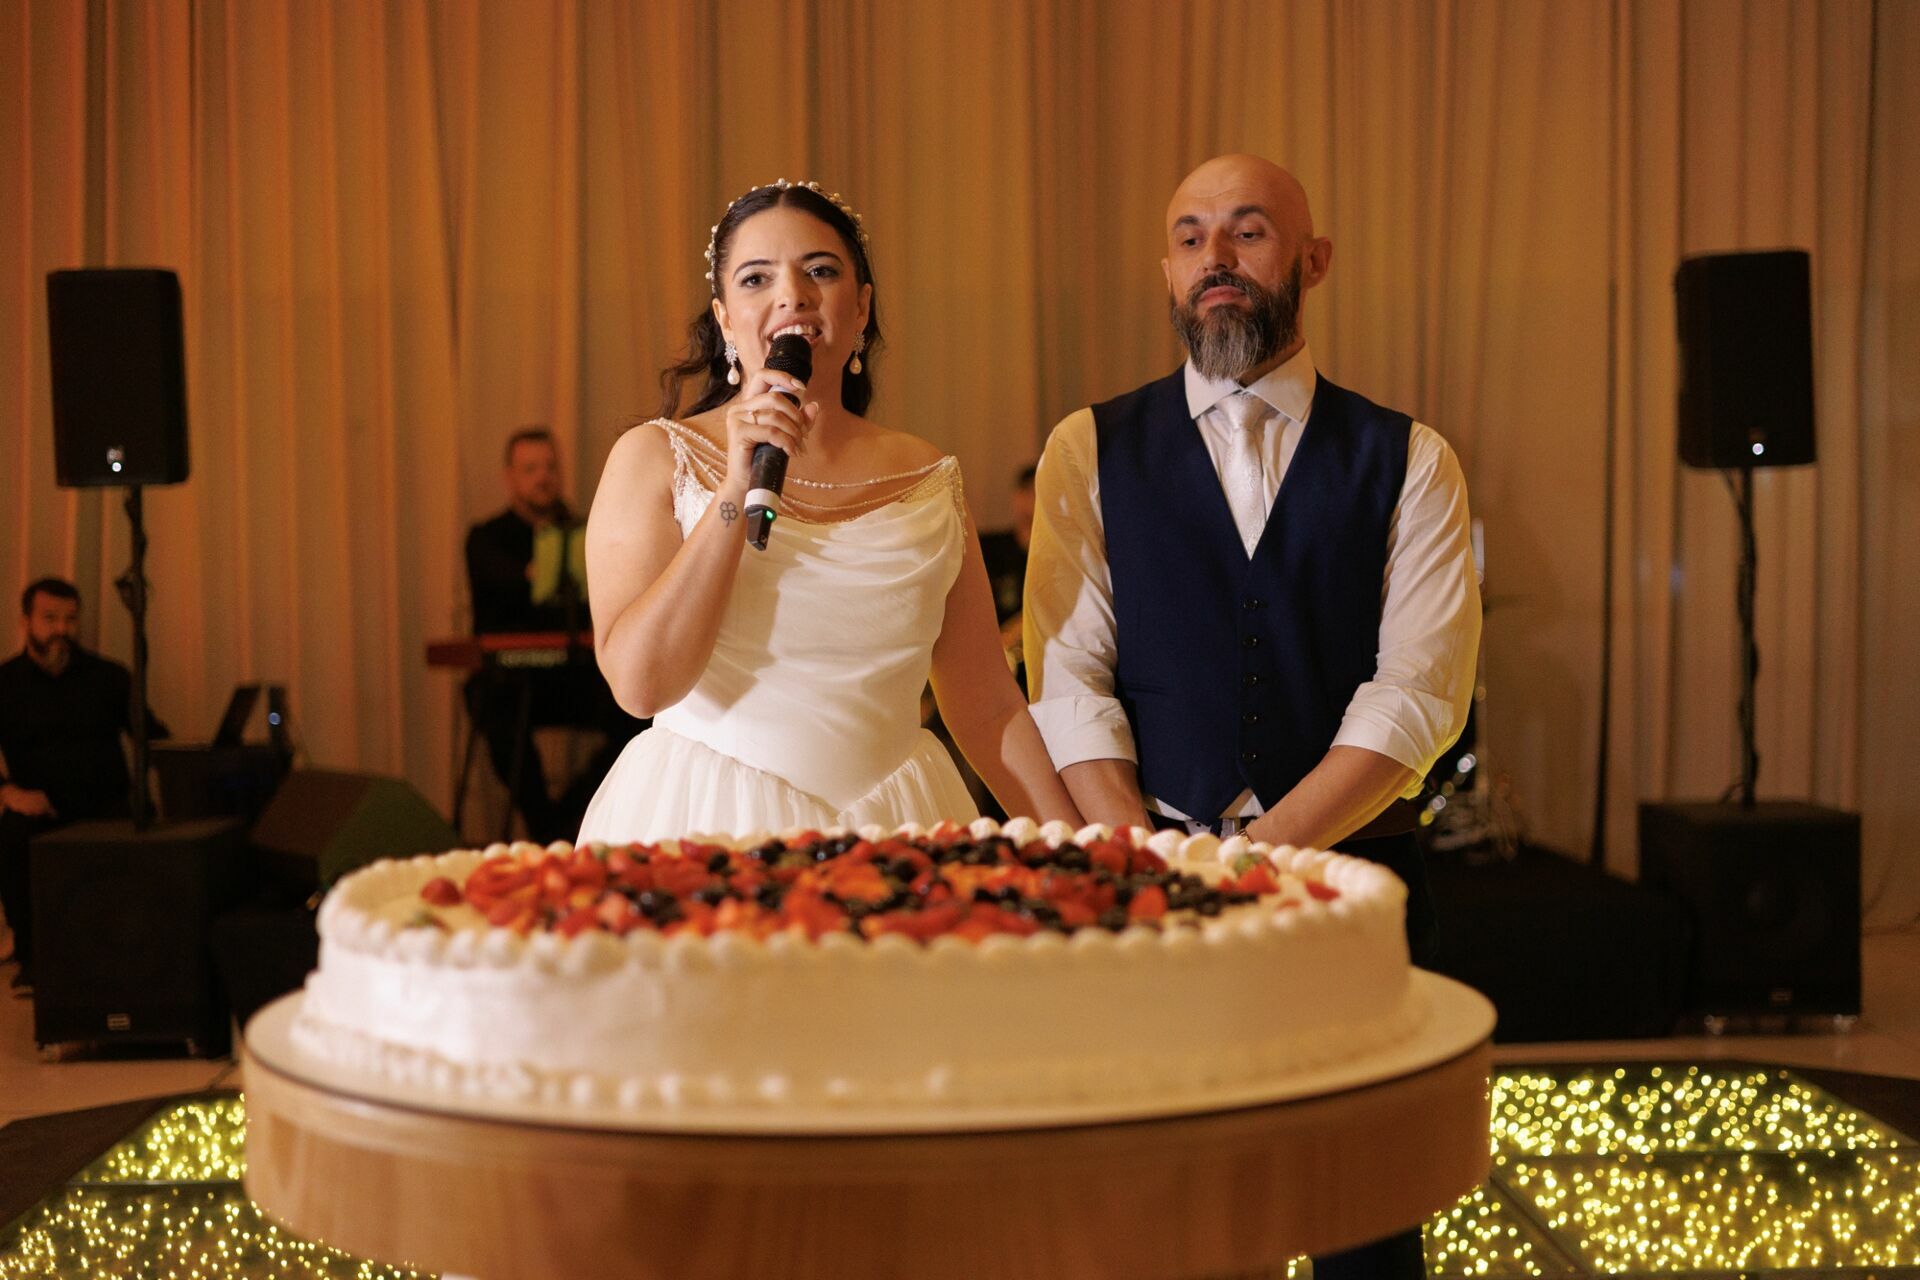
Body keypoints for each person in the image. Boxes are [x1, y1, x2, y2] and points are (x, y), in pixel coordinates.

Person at [1023, 154, 1480, 1279]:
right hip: (1147, 881)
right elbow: (1070, 676)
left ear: (1313, 259)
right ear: (1166, 271)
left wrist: (1260, 860)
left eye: (1247, 231)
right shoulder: (1088, 448)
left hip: (1349, 884)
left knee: (1365, 1209)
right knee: (1155, 1214)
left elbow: (1417, 694)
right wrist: (1145, 855)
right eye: (1189, 238)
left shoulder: (1412, 459)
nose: (1215, 260)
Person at [577, 180, 1079, 841]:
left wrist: (1087, 846)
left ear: (862, 306)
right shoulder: (654, 457)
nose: (793, 295)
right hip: (708, 824)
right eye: (757, 279)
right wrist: (735, 486)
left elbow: (985, 707)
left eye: (820, 270)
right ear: (726, 319)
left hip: (899, 827)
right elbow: (641, 687)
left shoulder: (925, 475)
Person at [465, 427, 645, 842]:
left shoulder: (587, 530)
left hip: (575, 674)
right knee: (494, 712)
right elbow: (500, 585)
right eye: (531, 469)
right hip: (509, 679)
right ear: (510, 477)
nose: (543, 477)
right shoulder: (487, 538)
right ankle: (547, 827)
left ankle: (564, 822)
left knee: (638, 710)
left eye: (549, 467)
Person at [0, 578, 170, 992]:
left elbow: (155, 737)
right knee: (10, 835)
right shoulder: (4, 683)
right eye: (50, 619)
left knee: (148, 830)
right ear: (25, 622)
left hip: (107, 805)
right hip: (41, 811)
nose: (62, 629)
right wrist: (9, 792)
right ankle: (33, 960)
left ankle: (138, 956)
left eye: (70, 619)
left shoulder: (109, 677)